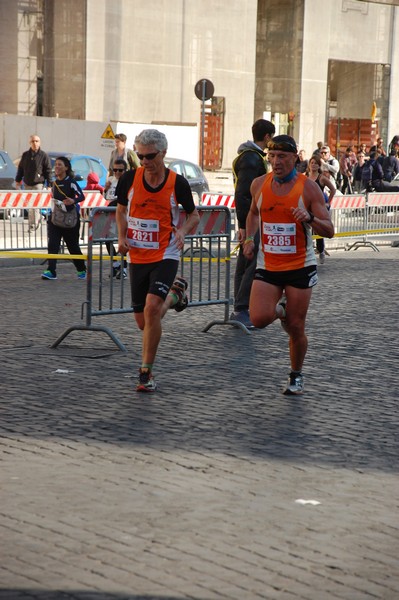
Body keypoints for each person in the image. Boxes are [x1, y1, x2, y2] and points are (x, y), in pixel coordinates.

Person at [243, 135, 334, 395]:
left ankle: (296, 375)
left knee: (296, 327)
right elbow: (252, 214)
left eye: (282, 156)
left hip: (299, 267)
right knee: (258, 318)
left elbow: (329, 230)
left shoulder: (308, 188)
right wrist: (250, 238)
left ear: (295, 158)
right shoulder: (259, 184)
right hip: (268, 265)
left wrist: (310, 217)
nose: (276, 161)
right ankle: (281, 308)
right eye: (272, 156)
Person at [116, 129, 200, 392]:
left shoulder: (178, 183)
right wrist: (121, 237)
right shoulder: (129, 178)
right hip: (138, 254)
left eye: (149, 156)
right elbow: (120, 210)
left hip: (166, 253)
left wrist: (182, 231)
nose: (144, 161)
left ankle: (146, 372)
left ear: (163, 153)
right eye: (140, 156)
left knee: (153, 309)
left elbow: (194, 215)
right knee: (144, 322)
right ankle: (176, 295)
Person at [230, 118, 275, 328]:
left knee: (245, 262)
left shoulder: (250, 156)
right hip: (251, 220)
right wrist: (243, 226)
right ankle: (241, 308)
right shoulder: (252, 159)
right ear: (267, 137)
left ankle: (240, 308)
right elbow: (244, 194)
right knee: (251, 263)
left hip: (250, 219)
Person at [41, 156, 86, 280]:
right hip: (55, 218)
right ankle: (51, 271)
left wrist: (73, 200)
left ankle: (81, 269)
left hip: (70, 220)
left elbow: (81, 196)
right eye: (56, 165)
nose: (57, 167)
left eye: (60, 165)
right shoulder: (54, 183)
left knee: (73, 247)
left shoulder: (71, 182)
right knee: (53, 244)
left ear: (66, 167)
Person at [15, 134, 53, 230]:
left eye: (36, 141)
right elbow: (21, 169)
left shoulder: (43, 156)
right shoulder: (25, 155)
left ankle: (33, 225)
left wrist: (49, 184)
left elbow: (48, 170)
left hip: (38, 184)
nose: (34, 143)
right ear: (29, 143)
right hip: (27, 183)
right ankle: (38, 218)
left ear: (39, 143)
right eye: (33, 141)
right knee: (30, 205)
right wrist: (18, 180)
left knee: (35, 205)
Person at [306, 155, 336, 264]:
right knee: (306, 228)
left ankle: (321, 250)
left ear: (319, 165)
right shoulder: (305, 177)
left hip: (319, 206)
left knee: (318, 228)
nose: (313, 165)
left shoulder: (321, 178)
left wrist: (328, 202)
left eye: (316, 163)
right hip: (308, 205)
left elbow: (333, 189)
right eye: (312, 162)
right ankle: (307, 250)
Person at [103, 158, 128, 279]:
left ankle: (124, 268)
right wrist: (105, 189)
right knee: (107, 239)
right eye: (115, 170)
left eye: (120, 170)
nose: (117, 172)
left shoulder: (128, 181)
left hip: (122, 214)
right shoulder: (110, 180)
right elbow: (105, 196)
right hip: (109, 214)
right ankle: (115, 264)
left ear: (125, 170)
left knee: (122, 240)